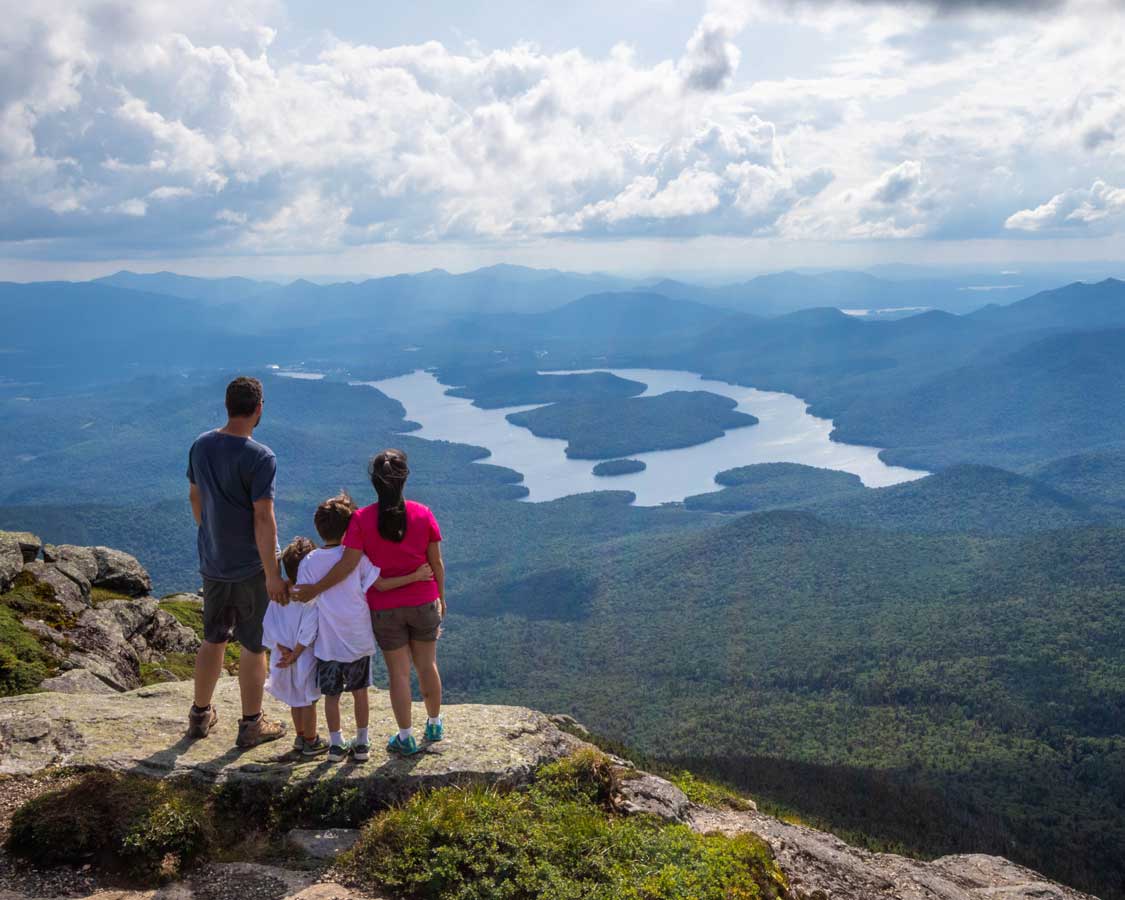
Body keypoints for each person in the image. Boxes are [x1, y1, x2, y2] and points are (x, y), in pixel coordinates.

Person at [293, 449, 445, 757]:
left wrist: (315, 589)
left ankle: (406, 736)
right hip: (424, 600)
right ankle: (434, 723)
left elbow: (347, 565)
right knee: (427, 664)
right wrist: (442, 598)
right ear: (405, 479)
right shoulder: (423, 513)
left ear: (374, 483)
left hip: (385, 609)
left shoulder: (361, 520)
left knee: (399, 674)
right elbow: (437, 563)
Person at [186, 375, 287, 748]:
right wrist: (273, 573)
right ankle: (251, 724)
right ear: (259, 409)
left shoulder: (201, 446)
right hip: (250, 567)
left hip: (213, 561)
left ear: (227, 405)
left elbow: (195, 498)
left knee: (213, 638)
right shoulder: (260, 457)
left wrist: (210, 532)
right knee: (253, 645)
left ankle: (200, 714)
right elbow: (264, 518)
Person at [263, 537, 326, 757]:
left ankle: (300, 737)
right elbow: (308, 631)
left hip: (281, 656)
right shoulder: (310, 599)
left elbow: (268, 625)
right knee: (308, 699)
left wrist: (281, 649)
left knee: (295, 699)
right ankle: (311, 740)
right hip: (303, 657)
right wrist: (296, 654)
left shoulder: (278, 597)